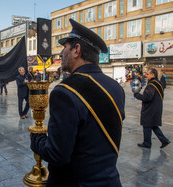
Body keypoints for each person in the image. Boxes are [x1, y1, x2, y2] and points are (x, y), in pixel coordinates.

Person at [30, 19, 125, 186]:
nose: (61, 54)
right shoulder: (116, 87)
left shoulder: (65, 91)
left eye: (64, 47)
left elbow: (56, 155)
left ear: (77, 50)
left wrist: (36, 139)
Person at [134, 68, 170, 149]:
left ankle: (147, 143)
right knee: (153, 125)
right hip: (156, 107)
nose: (145, 75)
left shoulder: (151, 85)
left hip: (150, 109)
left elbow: (147, 98)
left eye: (147, 74)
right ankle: (164, 140)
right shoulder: (159, 83)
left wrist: (137, 95)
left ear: (153, 75)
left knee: (146, 125)